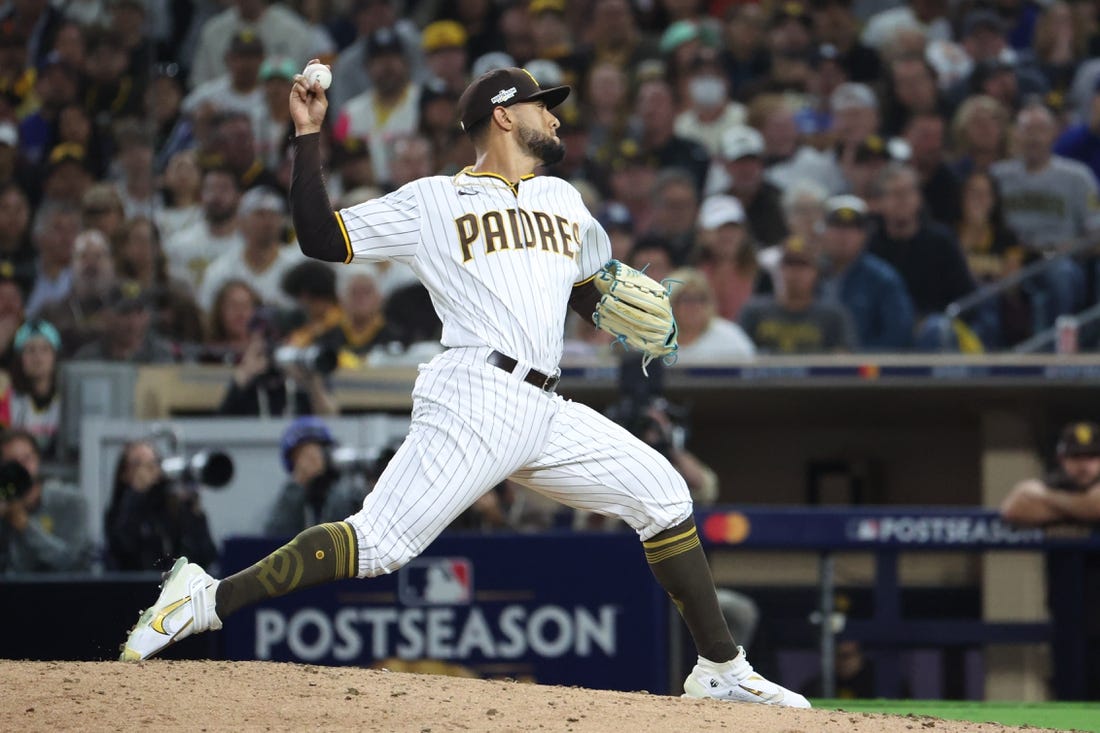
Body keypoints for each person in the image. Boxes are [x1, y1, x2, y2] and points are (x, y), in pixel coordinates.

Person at [120, 63, 810, 709]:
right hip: (475, 391)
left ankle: (720, 668)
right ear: (505, 116)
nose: (557, 120)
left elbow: (587, 289)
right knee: (380, 543)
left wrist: (608, 297)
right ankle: (205, 597)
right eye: (545, 107)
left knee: (663, 495)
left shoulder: (565, 201)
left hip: (544, 404)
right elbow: (320, 236)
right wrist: (306, 133)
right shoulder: (433, 200)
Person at [1000, 420, 1100, 700]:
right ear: (1061, 459)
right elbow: (1013, 508)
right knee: (1070, 696)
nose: (1084, 465)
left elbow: (1096, 506)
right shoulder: (1055, 483)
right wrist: (1077, 508)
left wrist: (1051, 504)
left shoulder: (1049, 491)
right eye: (1076, 457)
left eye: (1092, 457)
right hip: (1068, 613)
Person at [104, 440, 219, 572]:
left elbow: (207, 555)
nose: (150, 469)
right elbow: (123, 551)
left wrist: (195, 514)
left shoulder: (173, 508)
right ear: (124, 473)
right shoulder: (117, 513)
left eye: (154, 462)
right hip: (136, 588)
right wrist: (136, 493)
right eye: (139, 464)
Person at [819, 195, 916, 351]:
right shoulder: (809, 273)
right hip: (811, 366)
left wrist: (856, 357)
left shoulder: (883, 279)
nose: (844, 235)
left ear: (864, 235)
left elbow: (899, 336)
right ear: (823, 232)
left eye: (853, 228)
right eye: (837, 226)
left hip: (867, 370)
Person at [739, 237, 857, 354]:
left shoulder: (833, 316)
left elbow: (844, 359)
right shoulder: (754, 311)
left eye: (802, 265)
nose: (794, 272)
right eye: (788, 264)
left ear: (816, 271)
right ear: (778, 270)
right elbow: (739, 355)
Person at [0, 428, 92, 573]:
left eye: (26, 459)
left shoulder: (71, 501)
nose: (19, 468)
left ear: (37, 460)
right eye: (11, 462)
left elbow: (72, 562)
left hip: (63, 592)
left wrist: (25, 525)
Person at [265, 417, 371, 536]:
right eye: (303, 455)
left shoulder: (347, 490)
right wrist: (298, 483)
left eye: (318, 451)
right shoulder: (289, 499)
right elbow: (274, 538)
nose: (312, 459)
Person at [7, 321, 63, 461]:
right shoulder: (6, 399)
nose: (38, 357)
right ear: (20, 359)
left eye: (45, 349)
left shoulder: (68, 400)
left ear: (55, 356)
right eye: (30, 350)